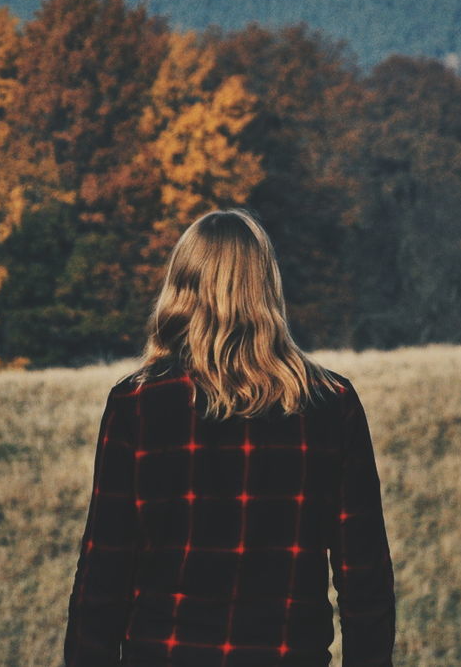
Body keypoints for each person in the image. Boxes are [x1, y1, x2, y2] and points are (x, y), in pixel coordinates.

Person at [64, 208, 396, 665]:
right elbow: (365, 578)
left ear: (181, 288)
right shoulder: (330, 403)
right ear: (267, 288)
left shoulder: (136, 404)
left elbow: (104, 574)